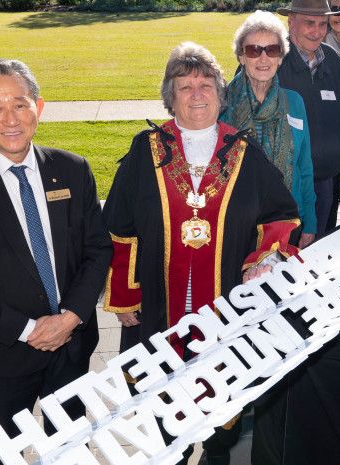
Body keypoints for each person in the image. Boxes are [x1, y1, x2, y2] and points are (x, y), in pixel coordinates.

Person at [101, 42, 301, 465]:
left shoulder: (240, 151)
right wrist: (124, 294)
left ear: (220, 93)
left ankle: (216, 452)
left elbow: (281, 214)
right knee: (162, 394)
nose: (196, 93)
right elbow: (119, 226)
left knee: (219, 388)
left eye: (206, 84)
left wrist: (262, 260)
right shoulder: (146, 149)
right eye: (185, 85)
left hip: (223, 299)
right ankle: (170, 453)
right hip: (158, 301)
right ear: (169, 95)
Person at [0, 59, 112, 465]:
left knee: (71, 449)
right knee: (7, 455)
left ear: (39, 108)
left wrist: (71, 317)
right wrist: (28, 330)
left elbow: (97, 250)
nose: (11, 119)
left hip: (72, 346)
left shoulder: (72, 169)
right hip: (2, 356)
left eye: (21, 104)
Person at [221, 10, 317, 249]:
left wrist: (311, 221)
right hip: (235, 225)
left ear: (281, 58)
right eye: (254, 50)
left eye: (271, 50)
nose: (263, 59)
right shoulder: (222, 104)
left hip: (287, 220)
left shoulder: (294, 102)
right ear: (241, 57)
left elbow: (304, 166)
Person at [276, 0, 340, 237]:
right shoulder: (272, 60)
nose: (317, 31)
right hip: (285, 185)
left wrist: (339, 150)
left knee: (320, 249)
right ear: (291, 22)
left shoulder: (333, 61)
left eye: (322, 24)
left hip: (324, 179)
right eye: (309, 23)